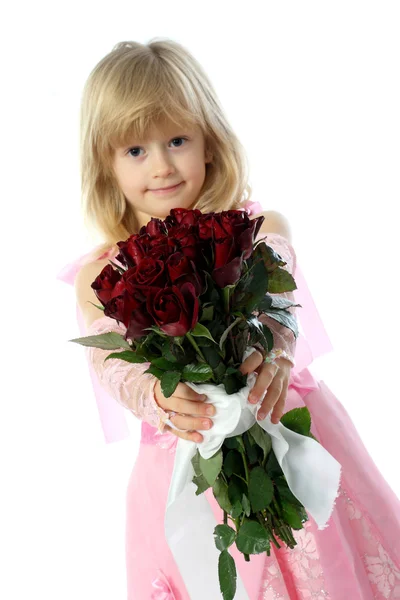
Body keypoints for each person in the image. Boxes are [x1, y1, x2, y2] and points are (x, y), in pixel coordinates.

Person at [57, 39, 400, 599]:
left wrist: (273, 350)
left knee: (325, 562)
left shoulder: (257, 227)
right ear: (106, 164)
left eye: (177, 140)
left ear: (209, 143)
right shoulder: (102, 274)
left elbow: (281, 307)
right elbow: (112, 364)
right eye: (135, 150)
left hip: (285, 425)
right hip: (185, 456)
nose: (163, 165)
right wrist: (157, 396)